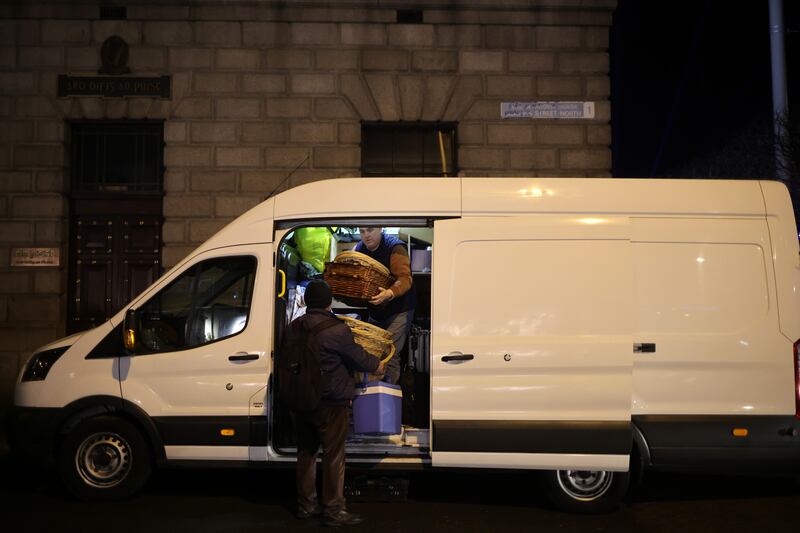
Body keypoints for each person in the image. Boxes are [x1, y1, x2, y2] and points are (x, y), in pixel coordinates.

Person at [292, 279, 385, 527]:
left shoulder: (294, 327)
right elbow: (359, 358)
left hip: (301, 400)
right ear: (329, 302)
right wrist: (378, 364)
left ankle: (306, 506)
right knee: (333, 455)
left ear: (304, 301)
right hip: (331, 402)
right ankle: (333, 510)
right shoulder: (337, 329)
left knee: (306, 453)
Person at [354, 227, 416, 385]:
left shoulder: (395, 248)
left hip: (399, 310)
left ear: (380, 229)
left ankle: (389, 396)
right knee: (373, 351)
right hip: (377, 311)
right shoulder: (359, 249)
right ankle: (374, 393)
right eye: (362, 231)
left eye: (370, 230)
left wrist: (389, 293)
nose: (366, 235)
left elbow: (405, 279)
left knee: (390, 353)